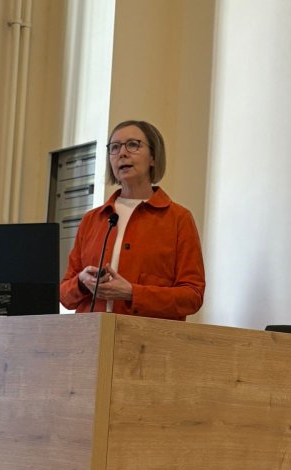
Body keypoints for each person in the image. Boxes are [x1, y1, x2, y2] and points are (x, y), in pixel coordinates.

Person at [59, 120, 205, 321]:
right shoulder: (91, 220)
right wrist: (82, 282)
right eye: (115, 147)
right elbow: (64, 296)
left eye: (133, 145)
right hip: (91, 333)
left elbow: (192, 297)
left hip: (146, 336)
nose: (122, 153)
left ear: (153, 157)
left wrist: (132, 293)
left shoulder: (178, 219)